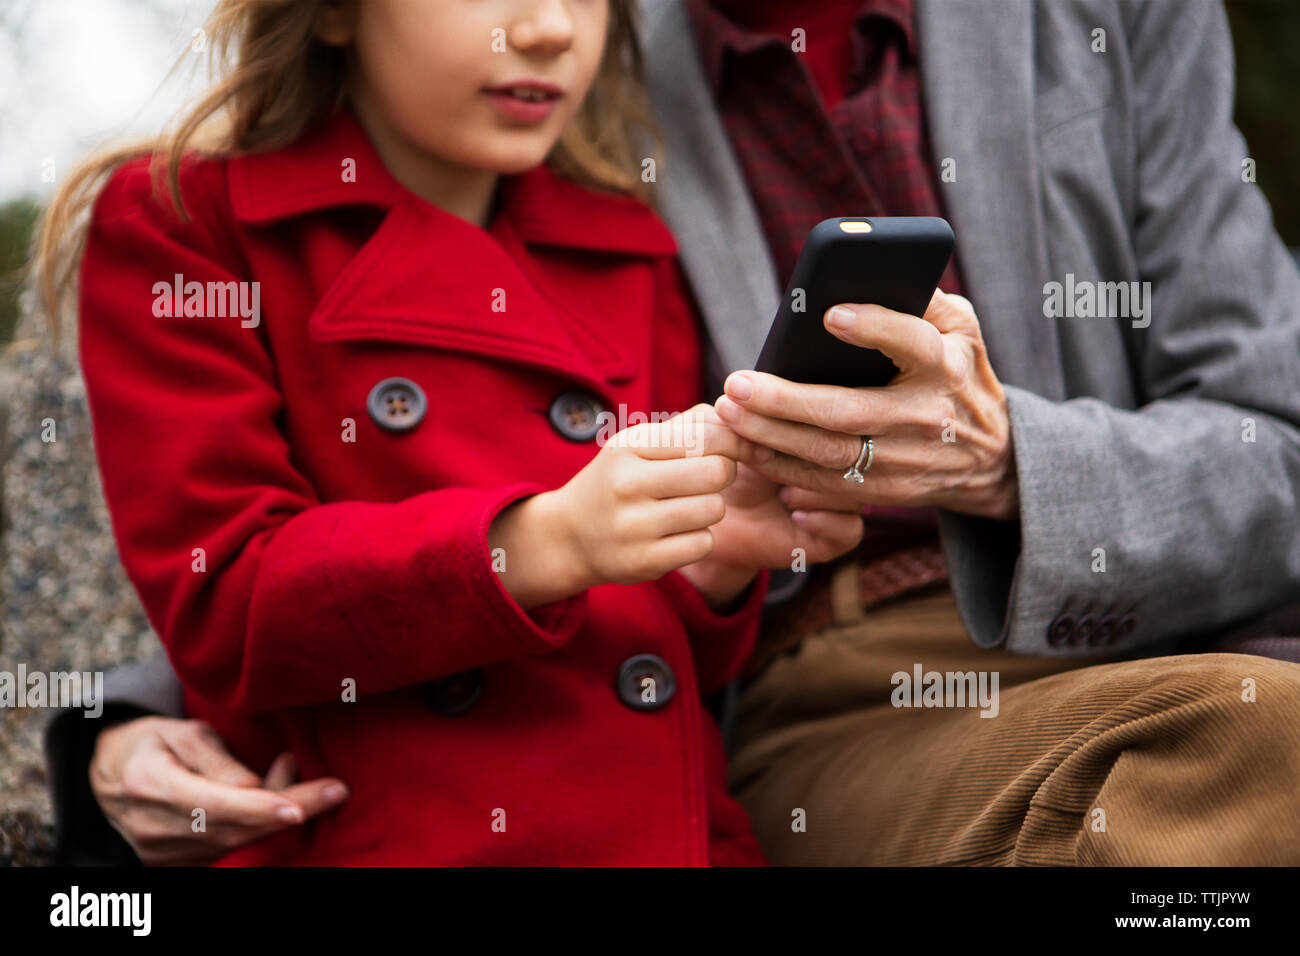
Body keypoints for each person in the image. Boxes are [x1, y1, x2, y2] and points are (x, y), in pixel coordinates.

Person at [46, 0, 1300, 865]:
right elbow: (243, 559)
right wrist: (106, 734)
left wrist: (730, 557)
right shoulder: (214, 220)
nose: (546, 25)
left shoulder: (608, 220)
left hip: (1138, 621)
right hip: (814, 697)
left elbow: (1273, 433)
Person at [33, 0, 868, 865]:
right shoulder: (190, 223)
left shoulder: (626, 242)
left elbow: (661, 666)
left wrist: (712, 560)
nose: (549, 29)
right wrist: (535, 546)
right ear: (332, 15)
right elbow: (224, 602)